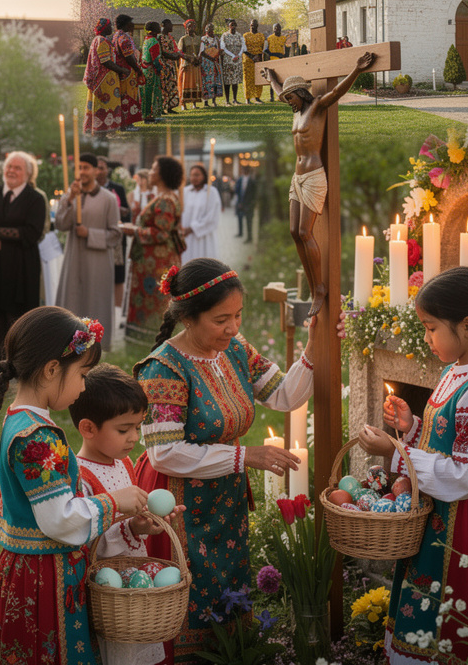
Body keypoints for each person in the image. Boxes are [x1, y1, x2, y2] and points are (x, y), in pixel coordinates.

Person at [133, 259, 313, 660]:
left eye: (238, 316)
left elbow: (284, 395)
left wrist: (313, 349)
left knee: (225, 589)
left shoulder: (234, 349)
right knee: (187, 588)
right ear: (188, 318)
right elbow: (164, 454)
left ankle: (229, 653)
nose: (233, 328)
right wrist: (245, 455)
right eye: (221, 320)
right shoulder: (163, 368)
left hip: (225, 496)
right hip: (177, 500)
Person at [359, 267, 468, 664]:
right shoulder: (454, 372)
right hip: (438, 513)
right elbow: (444, 442)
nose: (427, 338)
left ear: (467, 326)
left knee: (453, 614)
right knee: (423, 599)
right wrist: (411, 426)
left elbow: (466, 475)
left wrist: (396, 451)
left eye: (431, 329)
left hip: (464, 525)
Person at [0, 308, 150, 665]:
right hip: (46, 577)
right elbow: (58, 519)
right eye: (83, 374)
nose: (85, 386)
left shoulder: (17, 419)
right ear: (52, 370)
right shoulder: (40, 438)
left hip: (24, 569)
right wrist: (113, 501)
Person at [70, 364, 178, 665]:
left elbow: (125, 525)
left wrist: (141, 526)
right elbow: (88, 534)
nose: (134, 437)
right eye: (123, 429)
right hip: (108, 587)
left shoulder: (123, 463)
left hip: (131, 580)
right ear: (89, 428)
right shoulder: (83, 476)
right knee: (116, 651)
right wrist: (128, 527)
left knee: (137, 644)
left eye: (137, 426)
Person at [263, 52, 378, 316]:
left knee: (305, 232)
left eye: (290, 98)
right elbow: (280, 89)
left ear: (301, 93)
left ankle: (319, 289)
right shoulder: (295, 110)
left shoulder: (315, 107)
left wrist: (357, 70)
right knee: (294, 231)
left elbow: (337, 91)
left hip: (314, 175)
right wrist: (271, 77)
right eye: (286, 99)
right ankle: (315, 286)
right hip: (297, 177)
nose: (287, 102)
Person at [0, 151, 47, 364]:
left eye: (17, 168)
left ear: (28, 173)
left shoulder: (35, 198)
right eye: (9, 167)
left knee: (17, 322)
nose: (11, 171)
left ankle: (19, 369)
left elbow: (31, 233)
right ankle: (1, 373)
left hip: (20, 270)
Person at [55, 153, 122, 351]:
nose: (82, 172)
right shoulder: (71, 194)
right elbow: (61, 223)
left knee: (95, 302)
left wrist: (90, 233)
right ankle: (69, 345)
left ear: (95, 170)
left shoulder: (108, 199)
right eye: (79, 167)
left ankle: (95, 347)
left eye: (86, 167)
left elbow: (115, 235)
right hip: (74, 258)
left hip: (98, 260)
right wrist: (69, 200)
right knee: (72, 301)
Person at [124, 156, 184, 342]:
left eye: (153, 168)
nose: (150, 172)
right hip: (151, 261)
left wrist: (134, 231)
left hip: (157, 263)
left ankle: (150, 340)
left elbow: (161, 233)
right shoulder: (165, 198)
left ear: (162, 174)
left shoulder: (165, 200)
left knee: (155, 301)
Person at [84, 18, 127, 134]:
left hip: (103, 79)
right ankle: (101, 130)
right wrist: (121, 70)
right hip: (105, 80)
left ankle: (100, 129)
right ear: (104, 27)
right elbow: (106, 61)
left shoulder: (97, 40)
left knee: (102, 103)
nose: (111, 28)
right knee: (105, 104)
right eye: (109, 26)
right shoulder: (102, 41)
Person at [97, 158, 130, 311]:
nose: (99, 171)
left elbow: (127, 214)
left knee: (117, 275)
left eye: (102, 168)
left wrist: (122, 211)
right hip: (97, 235)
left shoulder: (118, 188)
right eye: (96, 168)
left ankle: (116, 310)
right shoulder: (90, 189)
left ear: (107, 170)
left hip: (115, 237)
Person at [179, 164, 221, 264]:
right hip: (186, 236)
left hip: (203, 236)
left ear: (204, 176)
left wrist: (192, 228)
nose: (194, 178)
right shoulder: (185, 192)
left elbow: (212, 216)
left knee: (203, 263)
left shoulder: (211, 192)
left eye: (197, 175)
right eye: (192, 175)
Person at [111, 13, 146, 129]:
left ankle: (124, 124)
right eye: (131, 22)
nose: (133, 25)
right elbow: (129, 57)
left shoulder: (117, 36)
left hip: (122, 72)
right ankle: (127, 124)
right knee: (128, 97)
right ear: (125, 24)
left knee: (123, 97)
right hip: (127, 71)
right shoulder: (124, 38)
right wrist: (138, 69)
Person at [141, 21, 166, 120]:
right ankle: (153, 115)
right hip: (152, 70)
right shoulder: (154, 41)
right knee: (153, 92)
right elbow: (155, 58)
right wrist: (159, 69)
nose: (160, 28)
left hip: (145, 69)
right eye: (158, 26)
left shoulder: (146, 39)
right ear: (155, 29)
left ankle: (146, 114)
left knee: (146, 93)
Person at [178, 19, 203, 110]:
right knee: (185, 83)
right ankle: (183, 104)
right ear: (186, 28)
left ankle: (194, 103)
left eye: (193, 26)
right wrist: (189, 58)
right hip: (186, 64)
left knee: (195, 83)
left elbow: (200, 50)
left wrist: (198, 58)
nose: (191, 28)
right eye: (189, 27)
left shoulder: (198, 38)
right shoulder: (183, 39)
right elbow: (179, 52)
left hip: (195, 64)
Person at [219, 19, 245, 106]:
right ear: (228, 26)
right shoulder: (225, 35)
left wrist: (238, 55)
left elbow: (243, 47)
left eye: (234, 25)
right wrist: (232, 55)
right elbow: (223, 47)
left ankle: (235, 99)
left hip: (237, 60)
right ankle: (227, 101)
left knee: (235, 80)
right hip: (228, 60)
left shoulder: (239, 35)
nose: (233, 26)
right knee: (227, 81)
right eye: (231, 25)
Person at [199, 22, 223, 107]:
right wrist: (210, 57)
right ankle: (206, 101)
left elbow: (219, 48)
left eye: (212, 30)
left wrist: (218, 53)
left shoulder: (216, 39)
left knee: (215, 81)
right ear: (206, 31)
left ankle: (214, 100)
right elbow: (201, 52)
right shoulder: (203, 39)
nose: (211, 32)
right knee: (206, 81)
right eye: (209, 31)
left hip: (215, 62)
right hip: (206, 63)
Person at [242, 20, 266, 103]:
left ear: (257, 26)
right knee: (247, 79)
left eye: (254, 25)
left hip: (258, 60)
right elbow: (243, 49)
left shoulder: (261, 36)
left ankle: (257, 97)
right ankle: (247, 98)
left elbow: (263, 48)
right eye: (251, 25)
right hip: (248, 59)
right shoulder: (245, 36)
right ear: (250, 25)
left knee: (258, 78)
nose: (253, 26)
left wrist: (258, 57)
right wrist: (252, 57)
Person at [264, 23, 288, 102]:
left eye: (279, 28)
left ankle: (281, 96)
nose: (277, 30)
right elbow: (266, 50)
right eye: (275, 28)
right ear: (273, 29)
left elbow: (286, 49)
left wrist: (283, 56)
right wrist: (275, 54)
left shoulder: (284, 38)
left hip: (282, 60)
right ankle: (272, 97)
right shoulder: (269, 38)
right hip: (273, 59)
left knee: (282, 78)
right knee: (273, 79)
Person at [233, 169, 256, 241]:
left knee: (249, 221)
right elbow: (237, 190)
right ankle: (240, 232)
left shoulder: (252, 181)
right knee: (240, 218)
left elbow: (253, 193)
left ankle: (249, 237)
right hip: (240, 203)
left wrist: (252, 203)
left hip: (248, 204)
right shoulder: (240, 180)